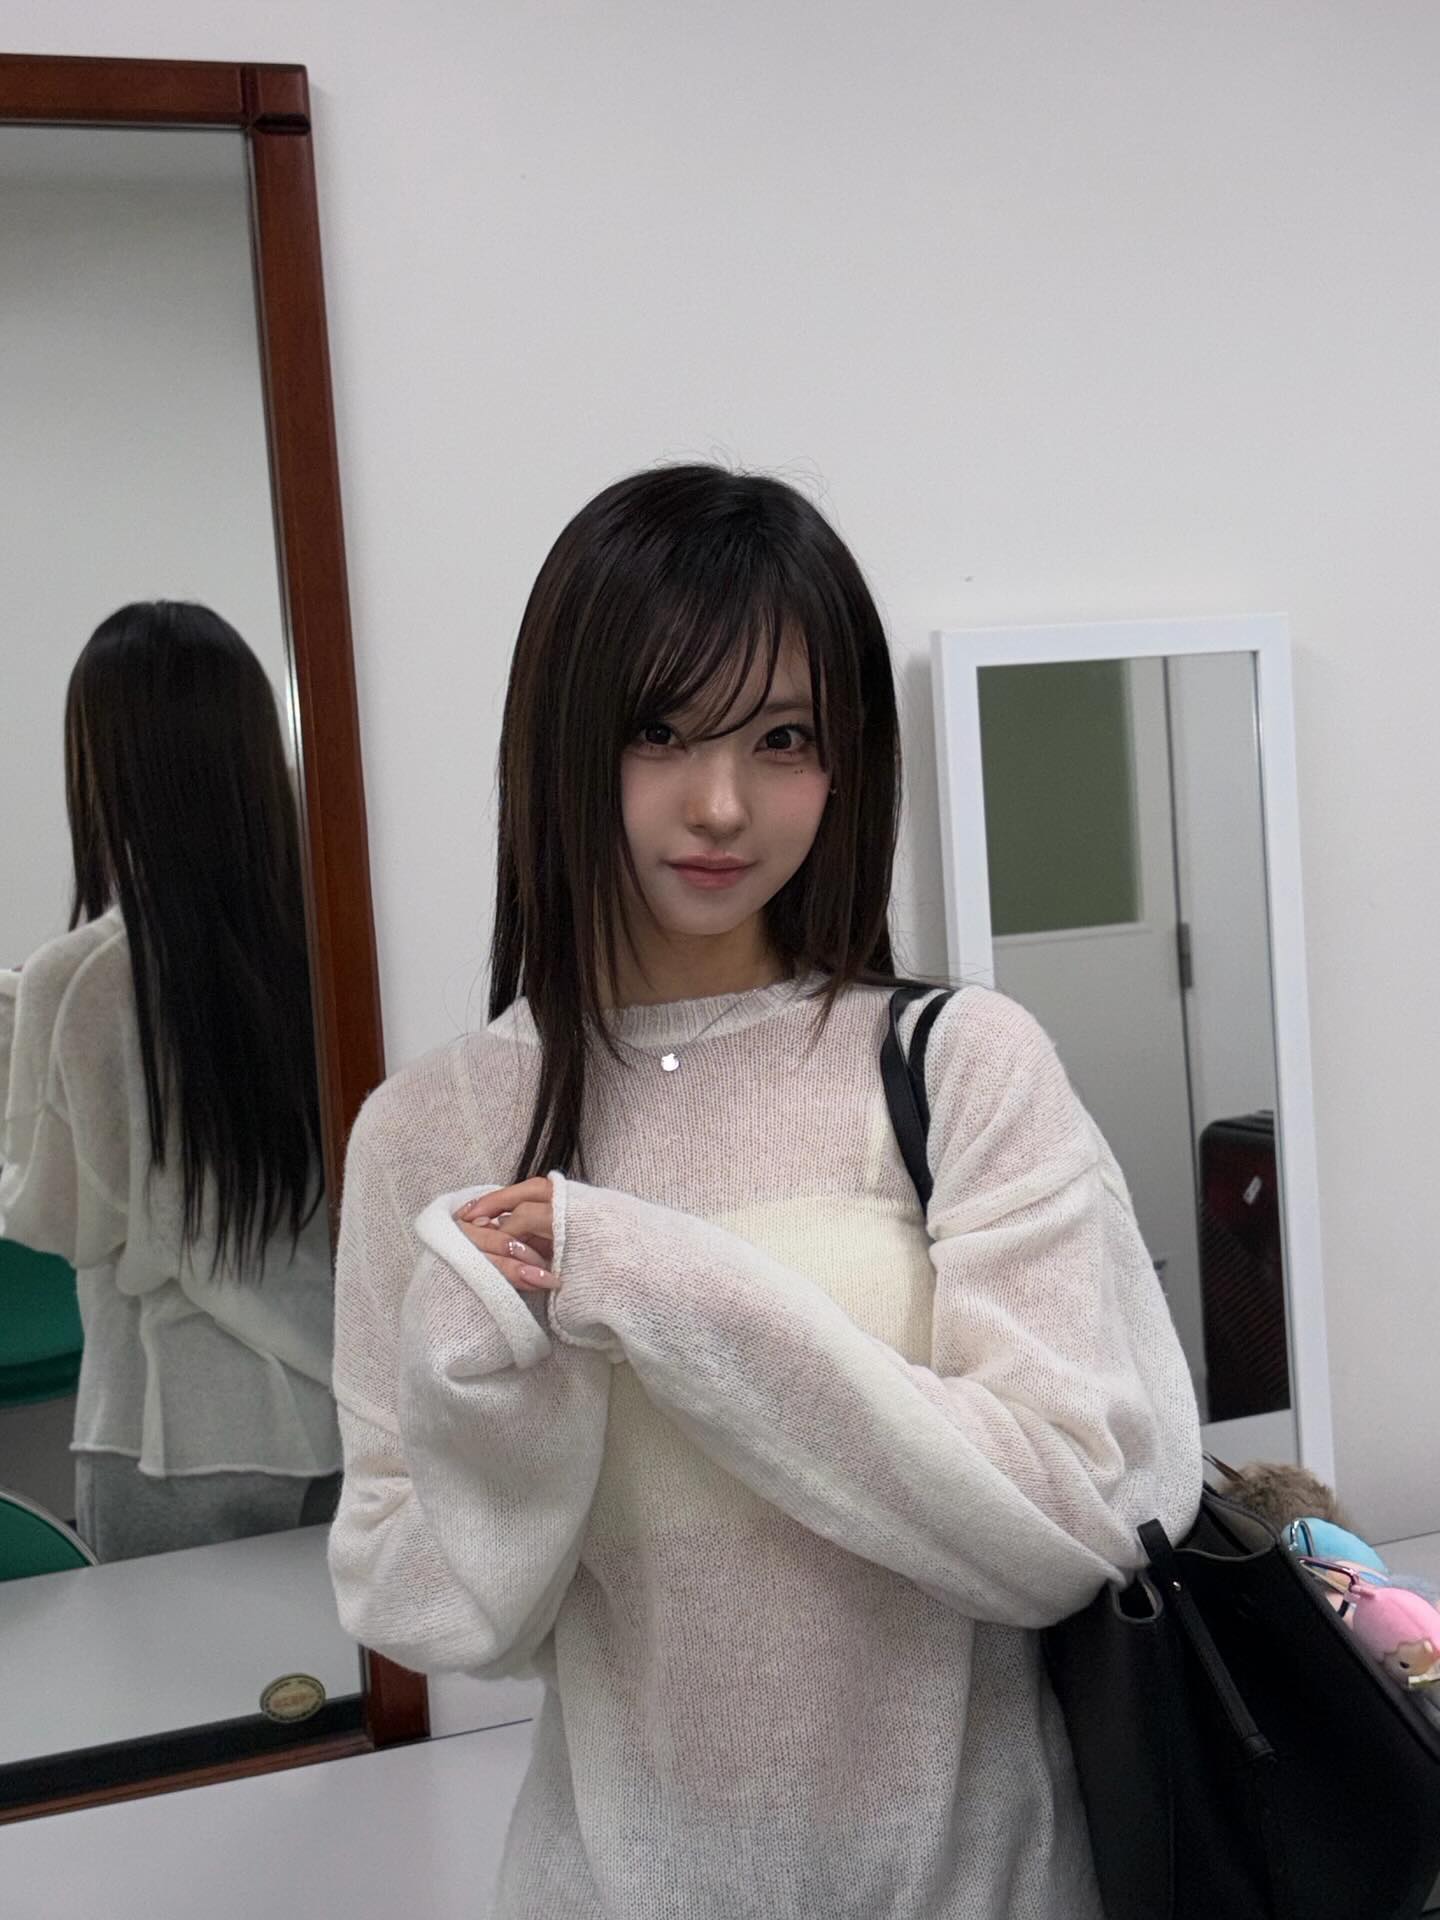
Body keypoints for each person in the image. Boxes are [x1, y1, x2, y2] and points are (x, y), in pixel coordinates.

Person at [326, 465, 1202, 1918]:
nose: (721, 804)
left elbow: (1071, 1519)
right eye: (659, 731)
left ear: (846, 761)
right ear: (560, 739)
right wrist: (501, 1398)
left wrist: (648, 1282)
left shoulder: (962, 1066)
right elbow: (425, 1607)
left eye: (783, 738)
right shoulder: (431, 1132)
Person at [0, 601, 340, 1562]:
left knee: (168, 1662)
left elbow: (65, 1221)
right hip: (338, 1405)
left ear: (101, 767)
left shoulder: (83, 977)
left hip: (174, 1428)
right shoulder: (326, 946)